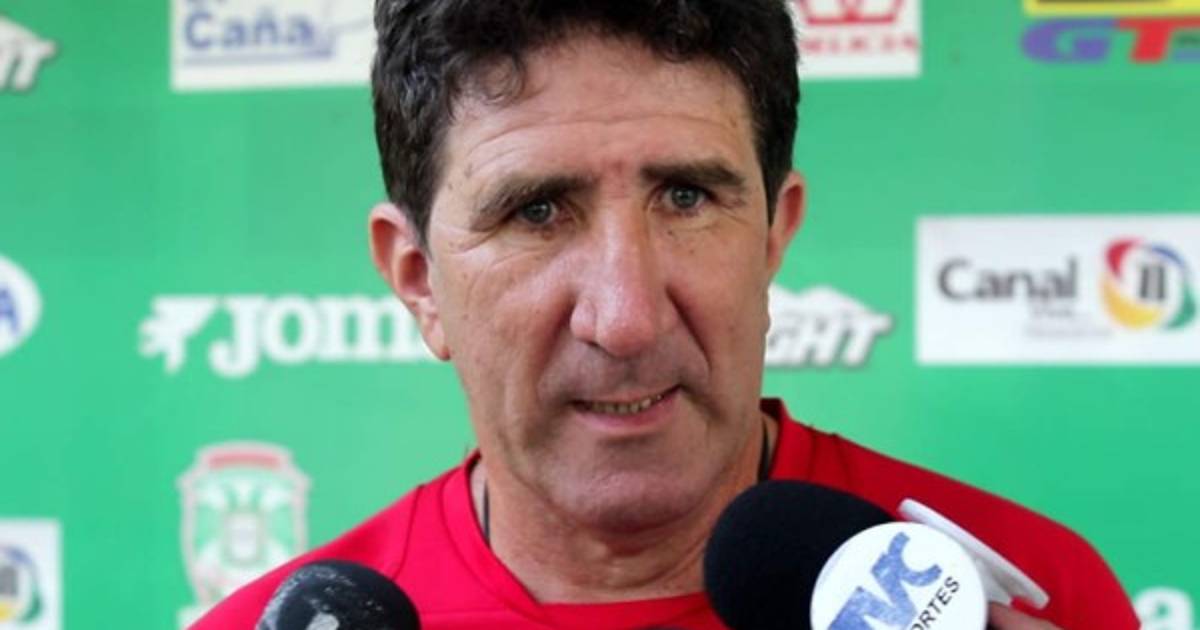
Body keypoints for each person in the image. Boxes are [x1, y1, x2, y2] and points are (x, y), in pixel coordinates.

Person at [193, 1, 1139, 628]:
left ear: (773, 235)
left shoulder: (1028, 593)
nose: (627, 318)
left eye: (686, 198)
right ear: (418, 280)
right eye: (537, 211)